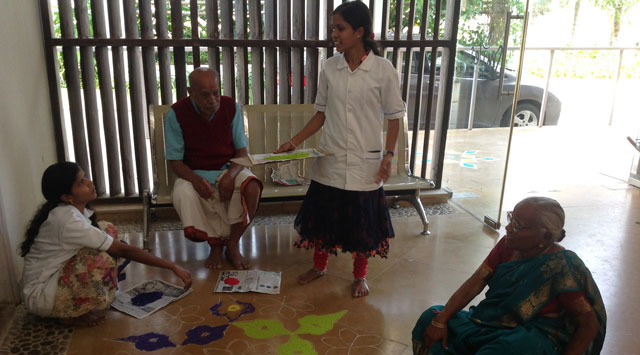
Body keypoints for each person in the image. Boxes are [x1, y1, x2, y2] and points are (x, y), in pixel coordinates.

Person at [410, 197, 606, 355]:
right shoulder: (506, 245)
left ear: (546, 236)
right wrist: (442, 319)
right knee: (433, 314)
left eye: (519, 225)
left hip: (534, 341)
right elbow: (476, 282)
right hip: (490, 325)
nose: (508, 227)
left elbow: (590, 325)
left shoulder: (562, 267)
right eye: (511, 218)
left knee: (511, 348)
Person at [275, 1, 405, 298]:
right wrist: (292, 143)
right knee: (323, 218)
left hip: (365, 161)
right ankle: (319, 266)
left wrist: (388, 155)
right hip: (330, 158)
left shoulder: (383, 70)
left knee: (363, 223)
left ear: (359, 32)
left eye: (340, 28)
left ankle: (360, 276)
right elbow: (320, 114)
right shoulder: (330, 68)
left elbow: (395, 116)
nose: (334, 33)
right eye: (333, 27)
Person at [20, 162, 192, 327]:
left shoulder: (69, 211)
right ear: (67, 197)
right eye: (81, 182)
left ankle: (76, 300)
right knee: (101, 261)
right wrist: (172, 266)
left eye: (85, 177)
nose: (89, 182)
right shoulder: (67, 220)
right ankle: (69, 314)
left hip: (51, 280)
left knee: (106, 230)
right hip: (41, 296)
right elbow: (124, 250)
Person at [164, 67, 263, 270]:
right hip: (194, 172)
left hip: (229, 167)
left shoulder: (230, 107)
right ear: (191, 93)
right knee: (184, 193)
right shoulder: (177, 114)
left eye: (216, 92)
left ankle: (233, 243)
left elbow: (242, 152)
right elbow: (175, 161)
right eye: (205, 95)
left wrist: (230, 175)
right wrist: (194, 179)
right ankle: (215, 245)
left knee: (252, 187)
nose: (213, 100)